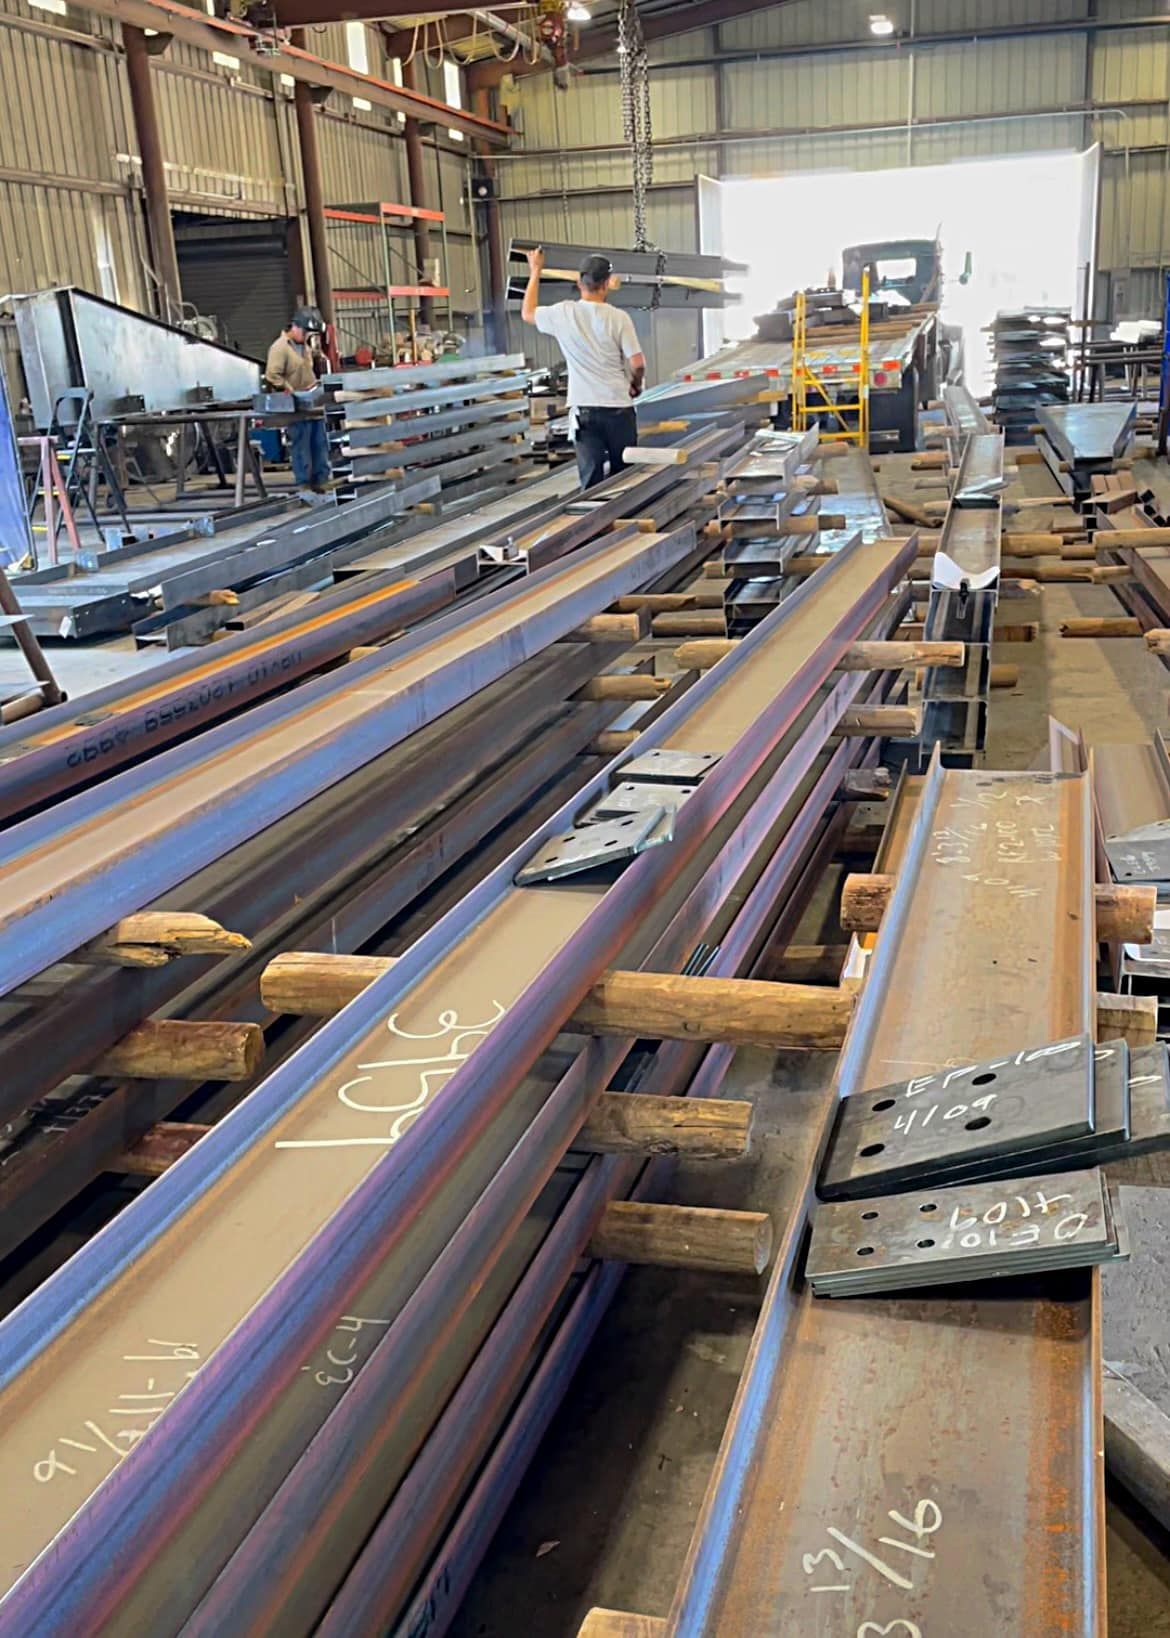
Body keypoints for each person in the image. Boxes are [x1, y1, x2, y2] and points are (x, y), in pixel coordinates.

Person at [521, 248, 646, 489]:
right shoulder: (619, 318)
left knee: (591, 481)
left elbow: (527, 312)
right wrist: (635, 384)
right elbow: (638, 363)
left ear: (579, 282)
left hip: (585, 411)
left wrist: (535, 270)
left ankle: (596, 525)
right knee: (626, 478)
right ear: (607, 284)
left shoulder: (563, 313)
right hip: (619, 406)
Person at [265, 305, 330, 494]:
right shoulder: (279, 348)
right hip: (297, 402)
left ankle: (321, 480)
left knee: (319, 442)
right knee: (301, 444)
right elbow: (272, 375)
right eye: (306, 332)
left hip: (312, 399)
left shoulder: (304, 347)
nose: (307, 336)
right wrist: (290, 391)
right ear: (295, 327)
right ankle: (304, 483)